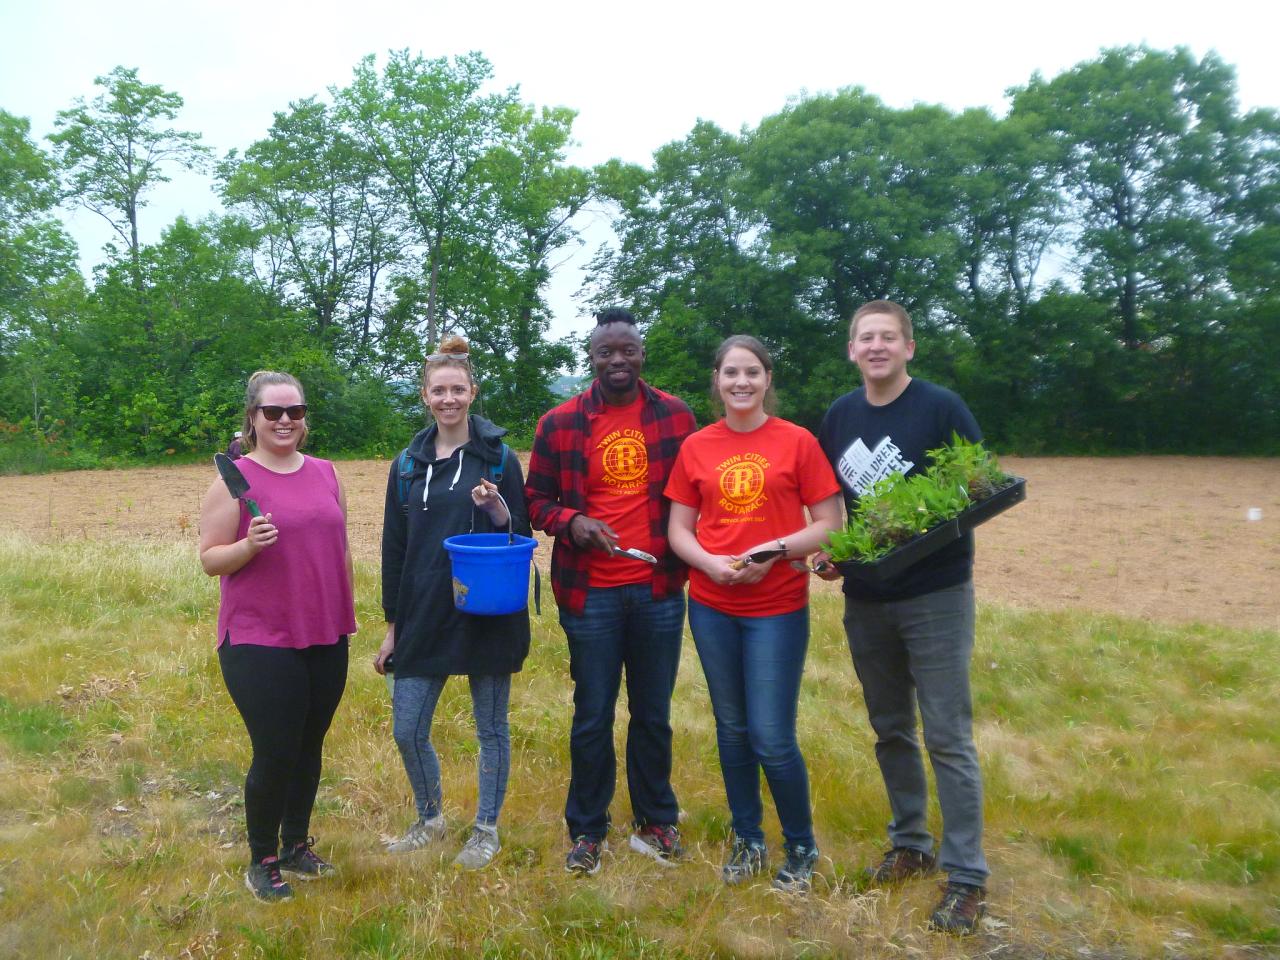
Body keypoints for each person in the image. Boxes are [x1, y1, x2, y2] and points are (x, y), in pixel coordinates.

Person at [815, 299, 989, 934]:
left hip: (936, 595)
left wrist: (911, 536)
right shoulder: (840, 415)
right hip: (867, 599)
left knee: (947, 734)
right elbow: (834, 504)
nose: (878, 346)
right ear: (853, 350)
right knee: (891, 728)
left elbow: (978, 488)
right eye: (867, 337)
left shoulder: (941, 408)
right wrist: (837, 557)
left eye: (889, 337)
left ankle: (967, 876)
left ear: (909, 347)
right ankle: (911, 843)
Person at [665, 335, 842, 893]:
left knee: (771, 735)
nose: (741, 383)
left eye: (752, 373)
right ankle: (748, 838)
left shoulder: (798, 442)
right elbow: (678, 530)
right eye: (731, 373)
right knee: (733, 730)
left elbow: (831, 521)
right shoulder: (697, 446)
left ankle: (801, 844)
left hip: (776, 608)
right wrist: (710, 565)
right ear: (716, 381)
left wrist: (774, 552)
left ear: (768, 379)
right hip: (713, 605)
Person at [525, 307, 696, 875]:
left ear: (642, 354)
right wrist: (571, 521)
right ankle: (587, 830)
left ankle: (656, 821)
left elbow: (699, 495)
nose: (618, 361)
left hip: (659, 589)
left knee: (653, 712)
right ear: (591, 358)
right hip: (590, 593)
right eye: (606, 353)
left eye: (628, 351)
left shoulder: (675, 416)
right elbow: (535, 502)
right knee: (592, 714)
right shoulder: (560, 423)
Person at [198, 371, 355, 903]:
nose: (285, 420)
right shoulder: (232, 480)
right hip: (259, 637)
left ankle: (295, 846)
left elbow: (339, 546)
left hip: (325, 630)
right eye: (273, 412)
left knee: (310, 745)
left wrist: (344, 607)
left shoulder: (326, 472)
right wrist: (249, 546)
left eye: (295, 410)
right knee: (276, 749)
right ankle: (262, 858)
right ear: (254, 418)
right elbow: (209, 559)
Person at [376, 334, 531, 871]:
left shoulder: (498, 457)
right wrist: (392, 627)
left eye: (457, 389)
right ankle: (430, 817)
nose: (448, 399)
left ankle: (486, 829)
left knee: (491, 728)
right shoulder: (407, 465)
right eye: (438, 390)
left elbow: (519, 535)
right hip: (423, 611)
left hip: (487, 611)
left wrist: (495, 509)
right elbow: (394, 549)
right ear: (424, 395)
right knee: (407, 727)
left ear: (472, 392)